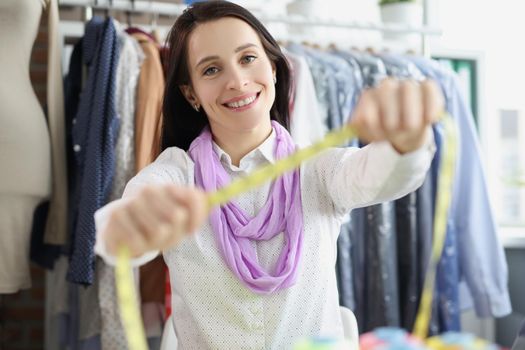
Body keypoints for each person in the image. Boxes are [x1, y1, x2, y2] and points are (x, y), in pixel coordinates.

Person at [95, 1, 442, 348]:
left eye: (247, 59)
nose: (237, 81)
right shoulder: (176, 174)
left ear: (274, 68)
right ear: (191, 94)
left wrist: (406, 143)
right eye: (212, 70)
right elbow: (131, 213)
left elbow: (381, 174)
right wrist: (131, 225)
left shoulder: (319, 170)